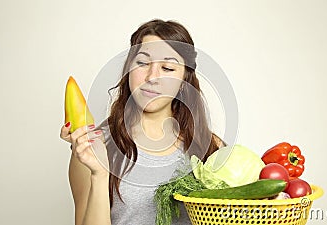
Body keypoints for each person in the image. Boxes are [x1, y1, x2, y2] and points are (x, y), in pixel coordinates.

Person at [60, 19, 225, 225]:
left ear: (184, 82)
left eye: (167, 68)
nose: (152, 77)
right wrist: (99, 173)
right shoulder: (92, 148)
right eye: (142, 63)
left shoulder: (210, 147)